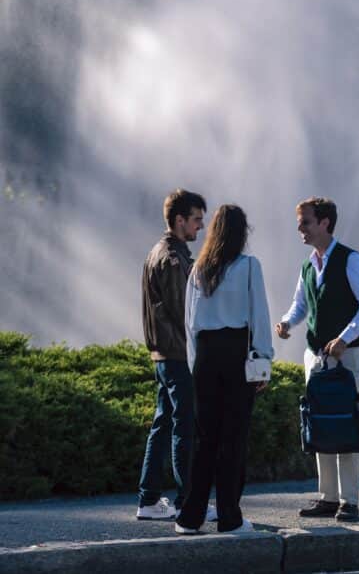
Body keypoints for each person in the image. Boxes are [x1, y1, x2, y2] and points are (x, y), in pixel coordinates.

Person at [276, 197, 359, 522]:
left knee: (347, 421)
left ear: (324, 223)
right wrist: (286, 322)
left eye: (305, 222)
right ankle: (328, 497)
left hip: (347, 355)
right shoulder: (309, 264)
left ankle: (350, 501)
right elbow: (301, 304)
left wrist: (344, 339)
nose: (300, 228)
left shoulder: (351, 260)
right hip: (316, 356)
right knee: (321, 421)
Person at [174, 204, 273, 535]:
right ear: (242, 233)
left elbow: (189, 325)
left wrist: (193, 365)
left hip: (204, 356)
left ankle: (190, 517)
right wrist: (263, 360)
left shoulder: (198, 269)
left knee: (204, 439)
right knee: (233, 438)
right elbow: (259, 315)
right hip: (235, 355)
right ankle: (229, 517)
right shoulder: (248, 266)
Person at [137, 188, 205, 520]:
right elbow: (185, 313)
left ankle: (148, 500)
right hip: (178, 353)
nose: (200, 228)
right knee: (183, 428)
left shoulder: (157, 252)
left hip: (163, 354)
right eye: (196, 220)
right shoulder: (173, 259)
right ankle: (188, 503)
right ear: (180, 221)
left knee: (162, 424)